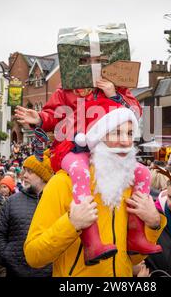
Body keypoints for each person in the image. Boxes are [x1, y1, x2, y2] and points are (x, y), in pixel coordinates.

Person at [16, 81, 159, 265]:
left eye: (130, 134)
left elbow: (132, 259)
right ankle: (92, 240)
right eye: (116, 133)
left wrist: (153, 224)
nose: (125, 142)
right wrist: (71, 225)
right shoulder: (63, 182)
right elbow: (34, 257)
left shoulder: (130, 182)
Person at [0, 152, 54, 277]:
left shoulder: (56, 201)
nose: (24, 175)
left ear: (43, 175)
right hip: (15, 272)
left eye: (30, 172)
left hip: (49, 272)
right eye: (24, 171)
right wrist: (6, 257)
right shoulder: (12, 201)